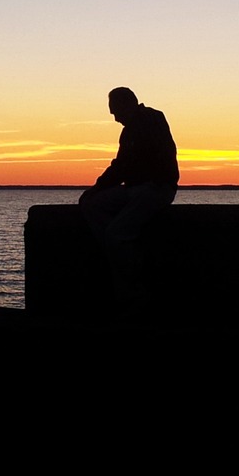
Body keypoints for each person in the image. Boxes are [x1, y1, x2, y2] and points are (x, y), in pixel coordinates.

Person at [79, 87, 179, 314]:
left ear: (128, 104)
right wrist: (97, 189)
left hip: (157, 188)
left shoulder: (152, 119)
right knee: (91, 206)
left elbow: (126, 166)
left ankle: (134, 293)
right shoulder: (129, 130)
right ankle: (121, 250)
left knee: (116, 233)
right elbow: (121, 165)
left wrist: (99, 185)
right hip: (135, 188)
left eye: (115, 112)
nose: (114, 118)